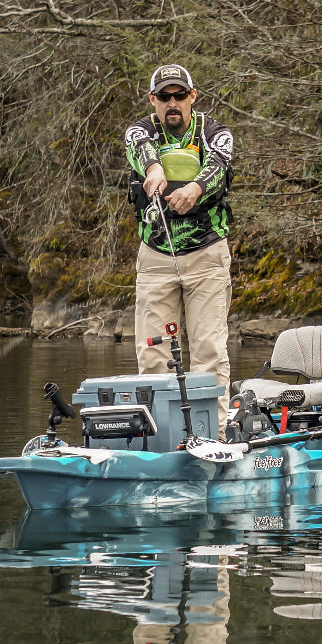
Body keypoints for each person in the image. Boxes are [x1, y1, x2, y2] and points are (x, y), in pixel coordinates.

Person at [124, 63, 234, 426]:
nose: (173, 103)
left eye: (180, 95)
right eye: (164, 97)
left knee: (208, 351)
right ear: (153, 100)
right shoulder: (141, 130)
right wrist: (154, 170)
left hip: (206, 255)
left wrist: (195, 188)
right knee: (154, 354)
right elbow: (138, 148)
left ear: (192, 97)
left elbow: (219, 163)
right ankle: (160, 436)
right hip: (155, 258)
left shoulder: (215, 132)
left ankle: (215, 435)